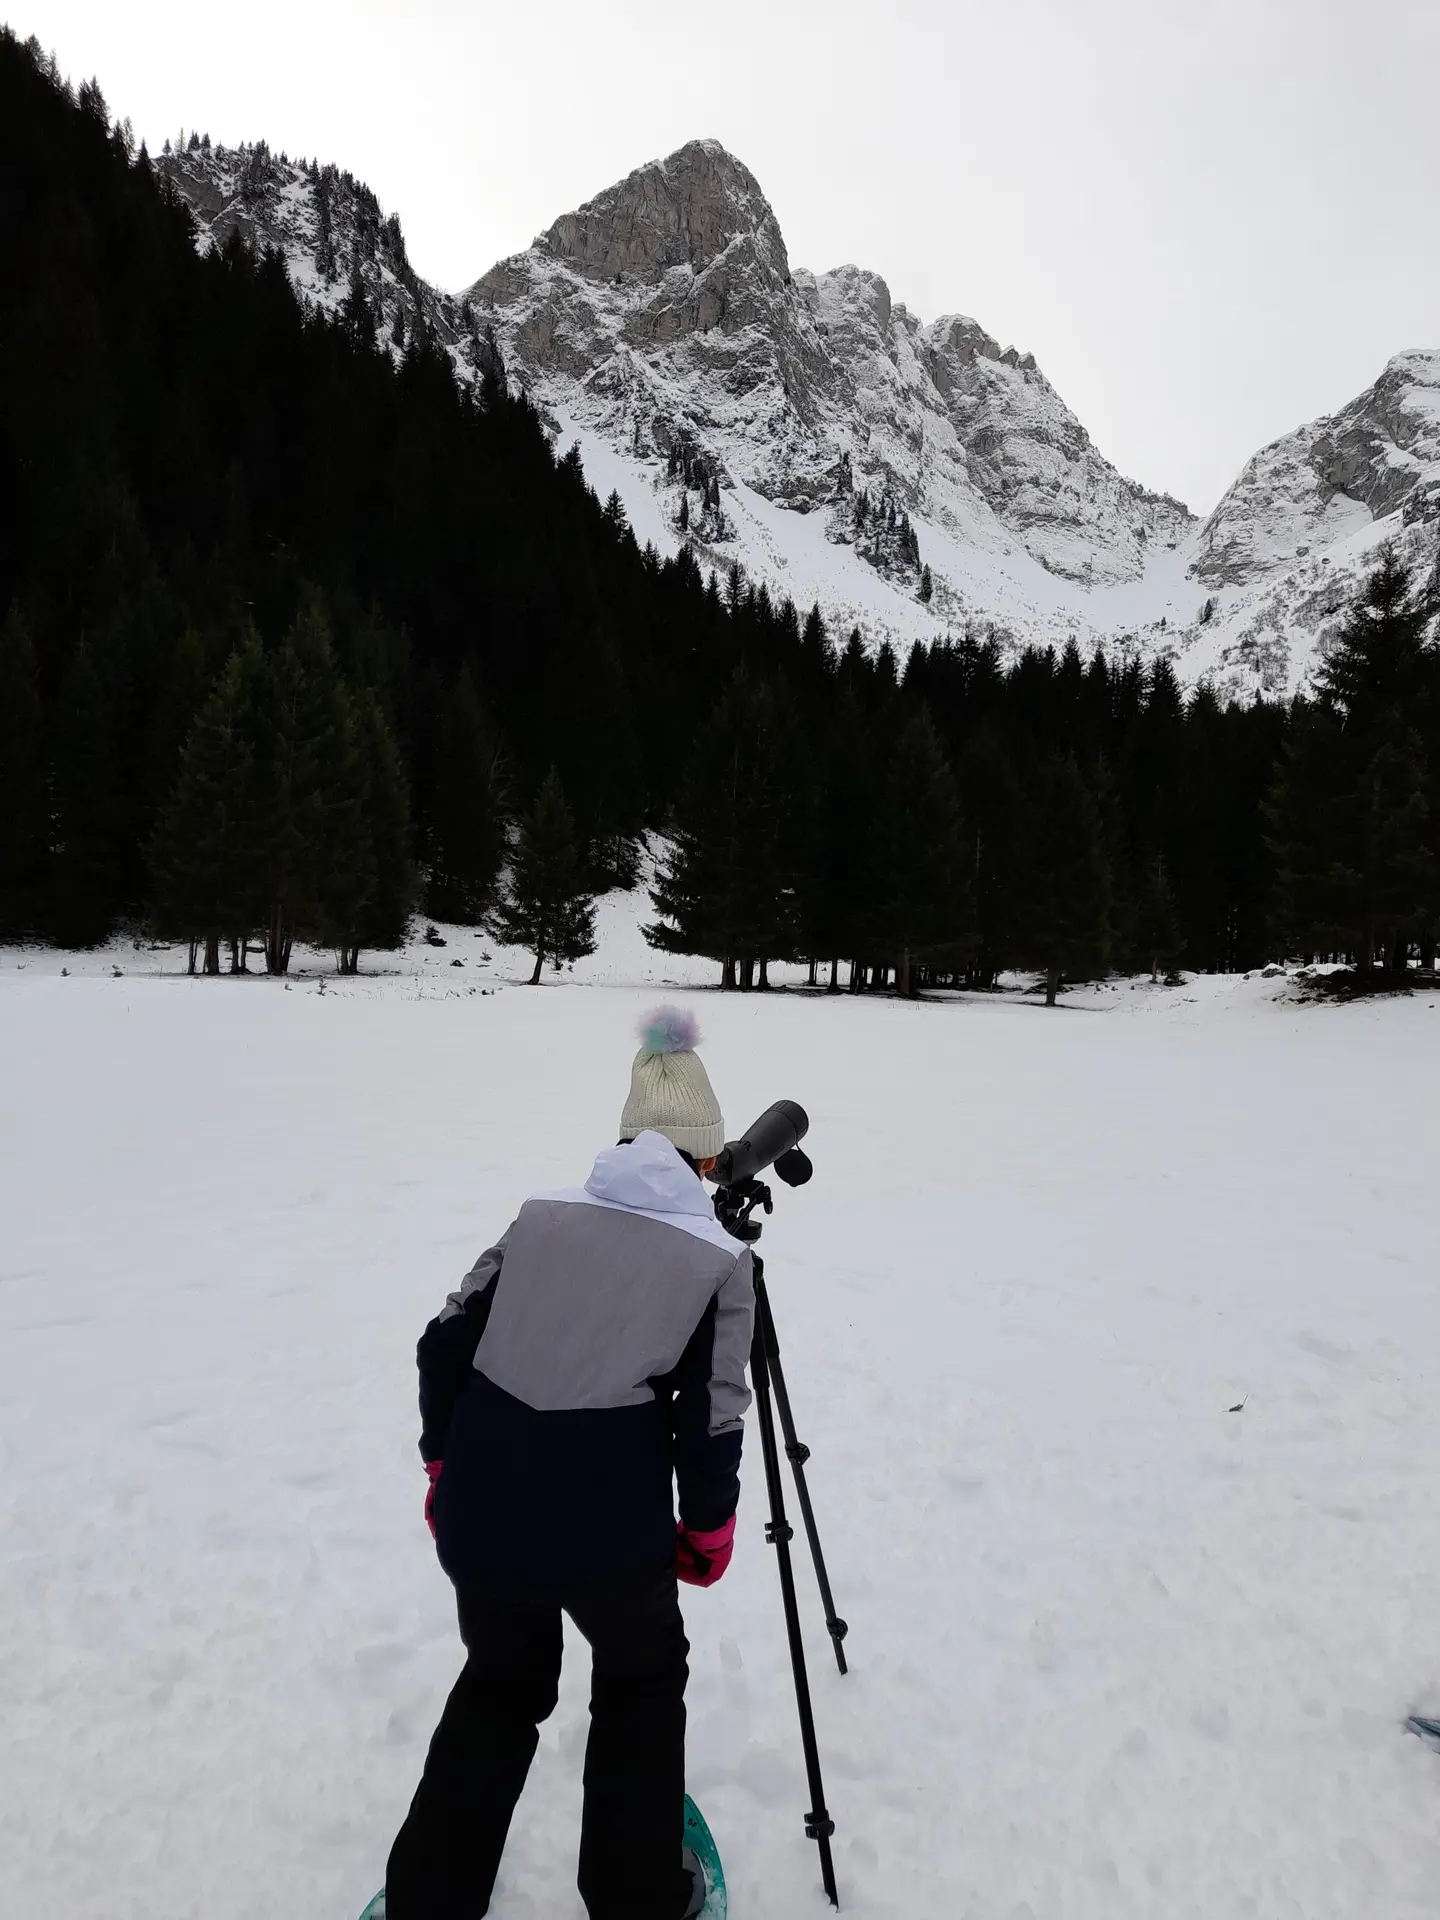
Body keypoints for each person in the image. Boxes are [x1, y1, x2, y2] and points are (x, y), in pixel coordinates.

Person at [383, 1007, 755, 1920]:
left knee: (502, 1682)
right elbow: (712, 1416)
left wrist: (442, 1465)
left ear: (625, 1137)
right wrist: (707, 1529)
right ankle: (636, 1898)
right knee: (637, 1678)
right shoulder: (718, 1263)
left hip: (485, 1505)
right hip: (609, 1531)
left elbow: (440, 1344)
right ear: (710, 1159)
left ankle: (425, 1901)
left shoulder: (538, 1219)